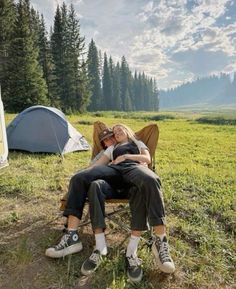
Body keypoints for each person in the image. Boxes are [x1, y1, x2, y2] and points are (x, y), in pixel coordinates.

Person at [46, 124, 175, 282]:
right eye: (115, 131)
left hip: (132, 169)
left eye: (120, 129)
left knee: (152, 178)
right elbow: (97, 165)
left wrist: (127, 157)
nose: (117, 132)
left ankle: (160, 239)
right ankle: (72, 237)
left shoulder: (137, 143)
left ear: (127, 131)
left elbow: (147, 159)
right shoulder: (111, 148)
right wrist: (86, 173)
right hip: (114, 172)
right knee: (79, 177)